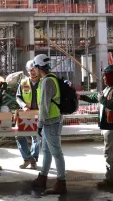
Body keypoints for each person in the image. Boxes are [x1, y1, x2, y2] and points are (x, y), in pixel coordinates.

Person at [78, 64, 113, 188]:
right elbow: (97, 97)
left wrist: (102, 99)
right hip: (110, 126)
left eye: (106, 75)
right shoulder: (109, 88)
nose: (104, 78)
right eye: (104, 75)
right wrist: (81, 96)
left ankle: (110, 180)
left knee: (110, 154)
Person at [31, 54, 67, 195]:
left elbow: (45, 106)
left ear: (39, 67)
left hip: (51, 122)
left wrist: (39, 124)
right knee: (46, 151)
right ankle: (43, 177)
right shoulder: (51, 79)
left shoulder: (47, 81)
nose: (34, 70)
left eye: (35, 67)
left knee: (56, 152)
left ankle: (61, 182)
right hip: (52, 121)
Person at [15, 60, 40, 169]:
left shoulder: (43, 81)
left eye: (34, 70)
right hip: (26, 113)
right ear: (27, 70)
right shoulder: (23, 82)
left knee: (36, 137)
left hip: (39, 113)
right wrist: (24, 106)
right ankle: (27, 158)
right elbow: (18, 97)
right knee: (19, 136)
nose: (33, 72)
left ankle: (33, 160)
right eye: (31, 70)